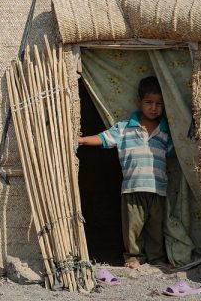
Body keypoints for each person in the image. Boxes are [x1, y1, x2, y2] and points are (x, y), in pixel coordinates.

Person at [78, 76, 173, 269]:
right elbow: (103, 138)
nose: (153, 108)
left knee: (156, 227)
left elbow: (178, 150)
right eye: (149, 102)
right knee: (133, 227)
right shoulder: (124, 128)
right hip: (132, 187)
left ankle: (156, 257)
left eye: (159, 104)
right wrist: (81, 140)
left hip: (158, 188)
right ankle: (133, 257)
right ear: (139, 102)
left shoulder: (166, 131)